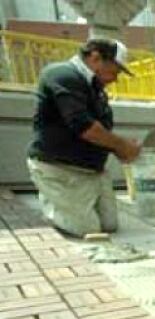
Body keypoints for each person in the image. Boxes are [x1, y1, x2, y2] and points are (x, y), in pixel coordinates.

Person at [27, 38, 141, 237]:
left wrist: (119, 150)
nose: (115, 79)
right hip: (59, 169)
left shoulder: (96, 90)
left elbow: (102, 132)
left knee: (109, 225)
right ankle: (51, 202)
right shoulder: (61, 75)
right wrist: (122, 145)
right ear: (96, 58)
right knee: (87, 228)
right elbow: (84, 127)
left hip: (91, 171)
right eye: (114, 71)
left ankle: (72, 202)